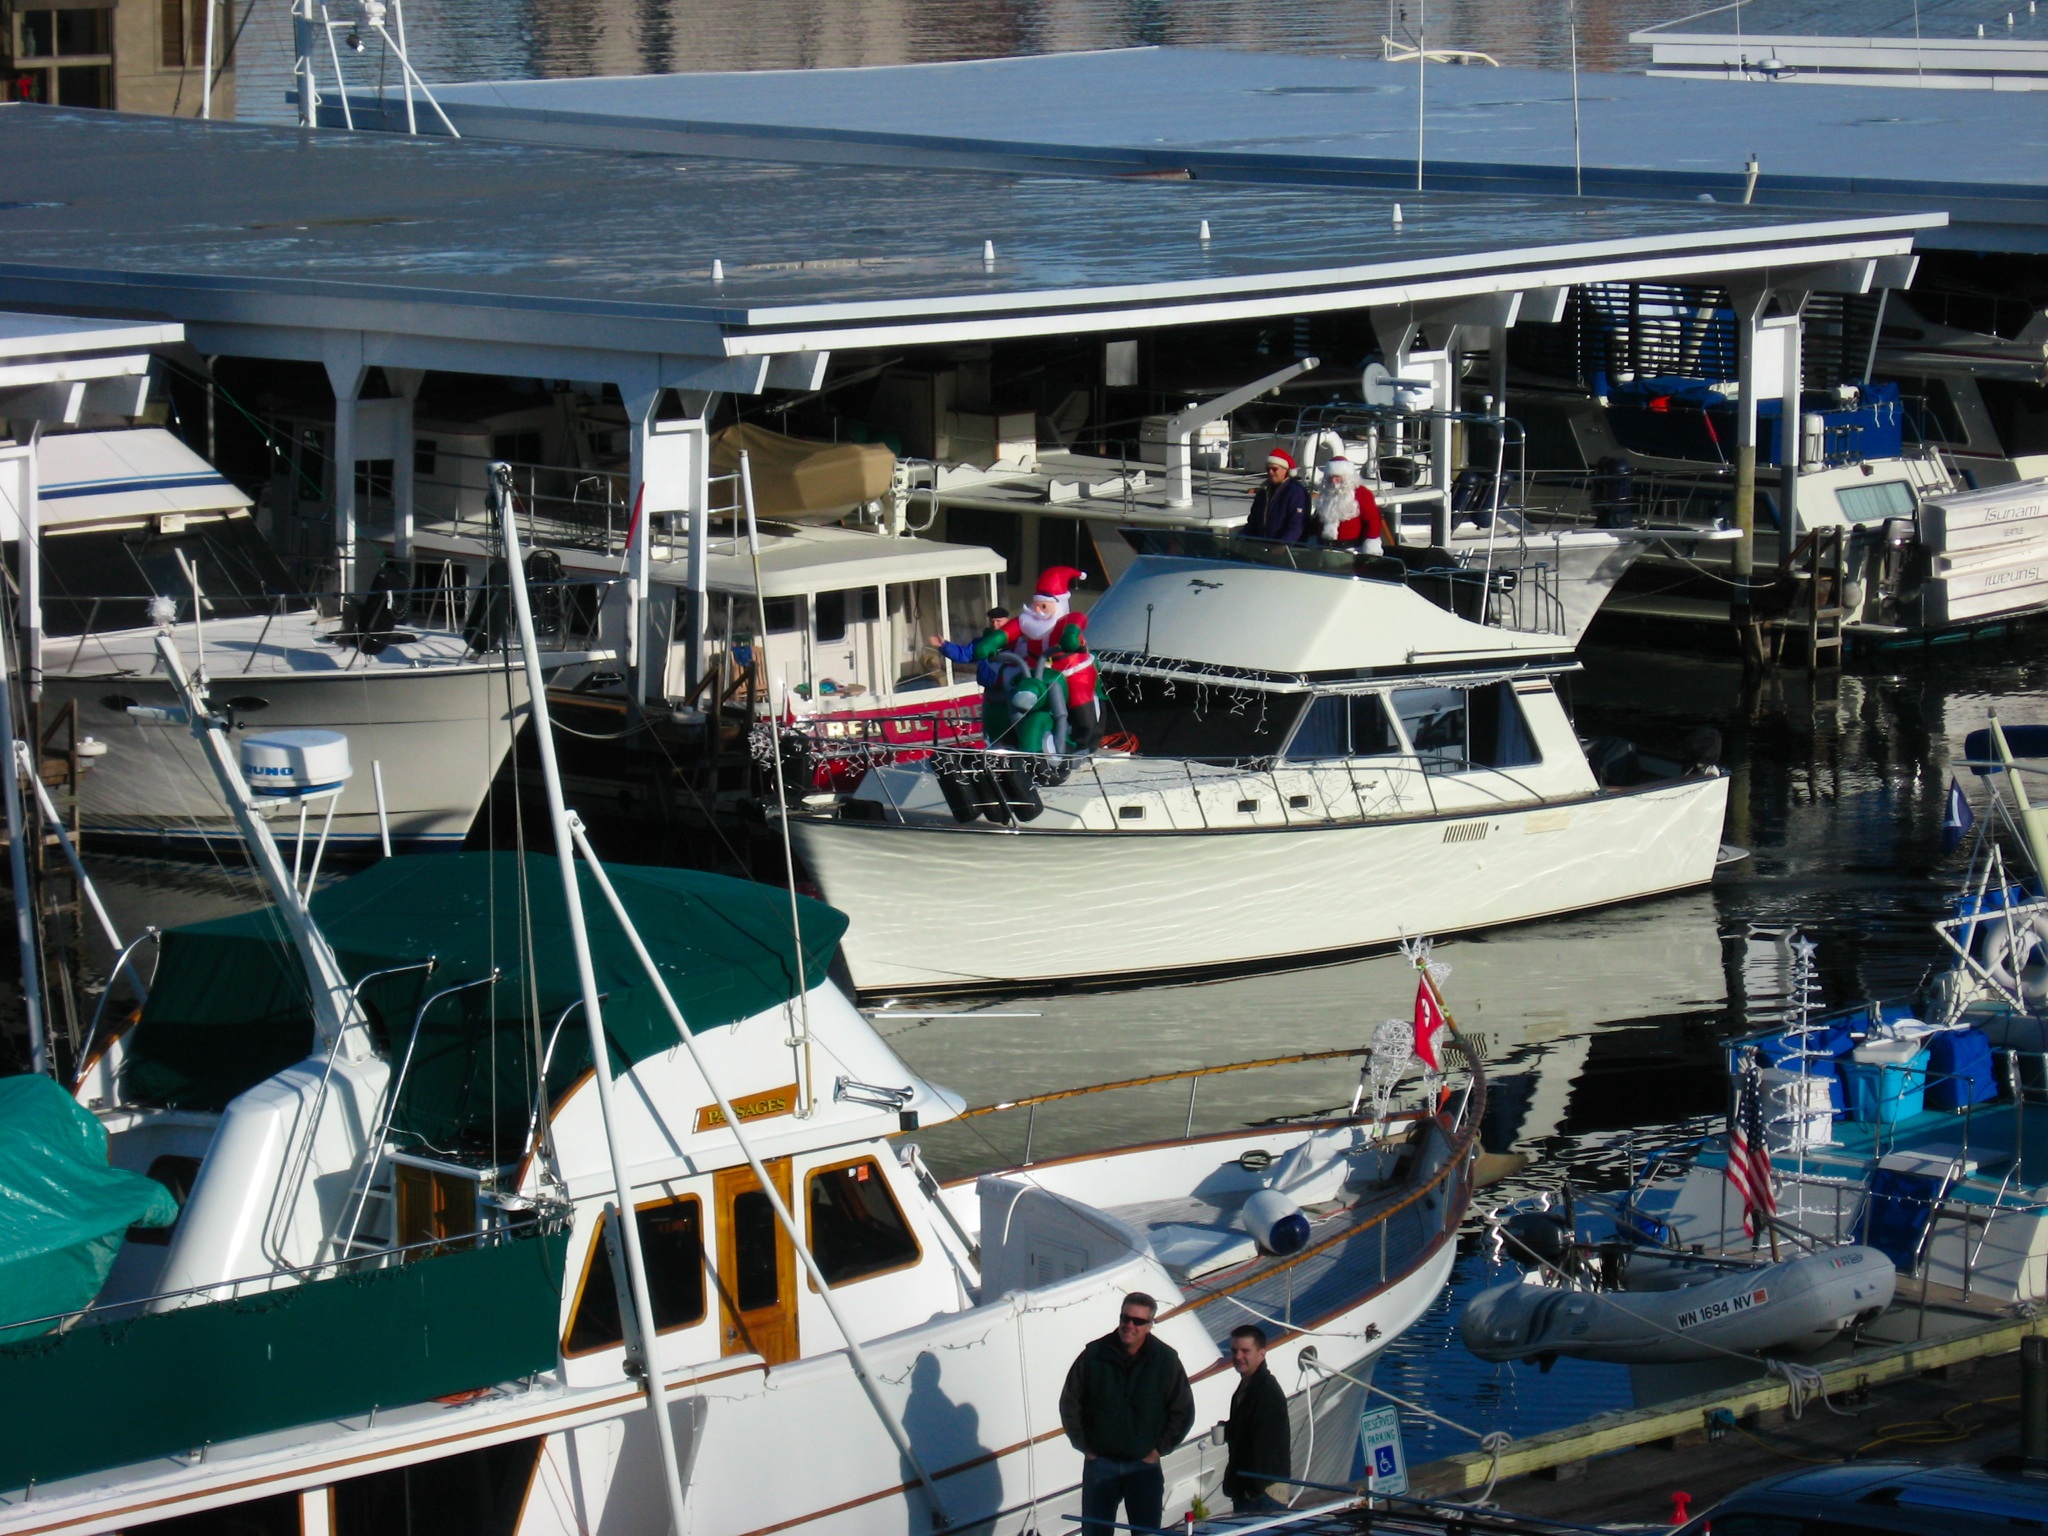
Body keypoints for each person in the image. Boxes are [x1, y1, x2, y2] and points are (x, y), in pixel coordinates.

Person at [1059, 1292, 1195, 1532]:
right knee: (1095, 1532)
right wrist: (1084, 1445)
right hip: (1100, 1464)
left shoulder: (1165, 1360)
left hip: (1143, 1467)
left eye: (1138, 1321)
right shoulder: (1094, 1355)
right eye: (1125, 1318)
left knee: (1145, 1532)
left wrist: (1158, 1450)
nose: (1130, 1325)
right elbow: (1070, 1402)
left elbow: (1182, 1410)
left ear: (1150, 1325)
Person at [974, 567, 1100, 752]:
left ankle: (1084, 740)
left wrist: (1071, 636)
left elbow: (1078, 620)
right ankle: (1007, 736)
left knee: (1078, 697)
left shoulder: (1064, 619)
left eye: (1044, 606)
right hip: (1036, 668)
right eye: (1036, 605)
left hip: (1070, 668)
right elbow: (1008, 631)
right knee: (1012, 689)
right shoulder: (1028, 620)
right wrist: (989, 644)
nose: (1038, 610)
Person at [1220, 1324, 1292, 1513]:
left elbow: (1265, 1445)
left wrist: (1252, 1489)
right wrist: (1228, 1429)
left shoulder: (1265, 1391)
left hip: (1263, 1494)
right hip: (1251, 1489)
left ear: (1261, 1353)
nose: (1238, 1356)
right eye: (1234, 1350)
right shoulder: (1248, 1386)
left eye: (1245, 1351)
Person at [1312, 456, 1385, 555]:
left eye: (1337, 477)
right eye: (1331, 477)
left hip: (1350, 550)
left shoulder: (1362, 494)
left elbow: (1373, 521)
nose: (1334, 481)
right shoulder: (1325, 494)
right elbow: (1317, 520)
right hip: (1324, 549)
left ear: (1347, 477)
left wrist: (1371, 544)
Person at [929, 606, 1013, 687]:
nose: (995, 625)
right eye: (992, 621)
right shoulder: (983, 643)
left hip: (1011, 689)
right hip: (990, 690)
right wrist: (944, 645)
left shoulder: (1015, 641)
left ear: (1007, 621)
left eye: (998, 621)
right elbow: (964, 654)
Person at [1244, 448, 1311, 543]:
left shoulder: (1296, 492)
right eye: (1268, 469)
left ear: (1286, 470)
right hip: (1262, 547)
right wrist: (1240, 539)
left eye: (1274, 469)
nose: (1270, 472)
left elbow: (1297, 525)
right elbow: (1253, 522)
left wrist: (1283, 545)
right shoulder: (1263, 491)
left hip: (1286, 551)